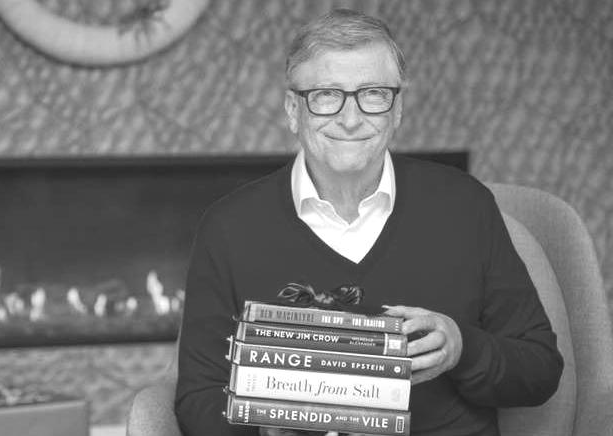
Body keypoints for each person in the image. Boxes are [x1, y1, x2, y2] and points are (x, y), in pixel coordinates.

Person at [175, 9, 563, 436]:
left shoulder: (466, 205)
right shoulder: (229, 227)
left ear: (397, 110)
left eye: (373, 94)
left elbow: (540, 369)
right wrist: (267, 425)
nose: (350, 119)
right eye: (326, 95)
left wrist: (461, 347)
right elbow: (197, 399)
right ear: (292, 110)